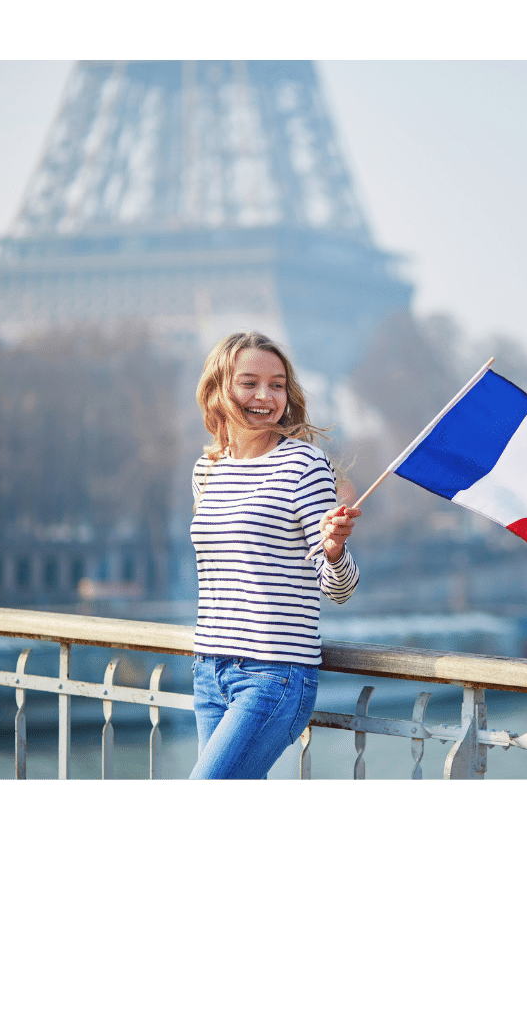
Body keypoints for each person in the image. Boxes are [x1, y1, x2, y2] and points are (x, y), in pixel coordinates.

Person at [188, 331, 360, 779]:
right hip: (209, 670)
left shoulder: (304, 465)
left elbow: (338, 587)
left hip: (273, 677)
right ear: (219, 388)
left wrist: (334, 549)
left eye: (277, 384)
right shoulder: (207, 470)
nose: (265, 396)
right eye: (249, 383)